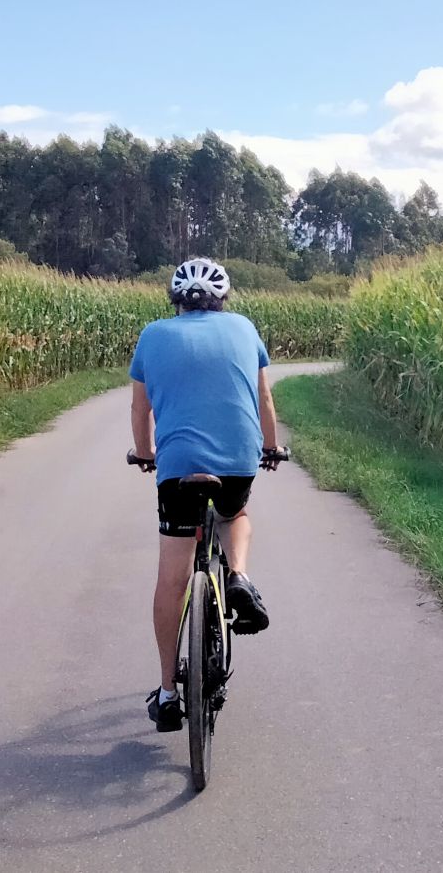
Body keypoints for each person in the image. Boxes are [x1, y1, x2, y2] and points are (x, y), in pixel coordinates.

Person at [128, 257, 281, 732]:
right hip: (236, 459)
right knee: (234, 515)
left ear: (175, 300)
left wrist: (145, 454)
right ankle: (238, 576)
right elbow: (263, 398)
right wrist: (271, 448)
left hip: (178, 466)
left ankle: (168, 694)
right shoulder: (244, 328)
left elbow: (140, 407)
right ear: (222, 299)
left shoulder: (153, 335)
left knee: (171, 579)